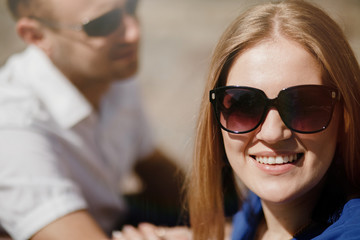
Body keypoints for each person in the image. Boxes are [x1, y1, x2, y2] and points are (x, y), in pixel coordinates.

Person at [0, 0, 184, 239]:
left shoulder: (111, 69)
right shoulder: (14, 127)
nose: (133, 33)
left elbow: (154, 166)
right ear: (36, 36)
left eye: (130, 7)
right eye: (102, 24)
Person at [187, 0, 360, 239]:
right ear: (216, 117)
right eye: (243, 105)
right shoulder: (255, 208)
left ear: (346, 116)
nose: (272, 133)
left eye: (304, 105)